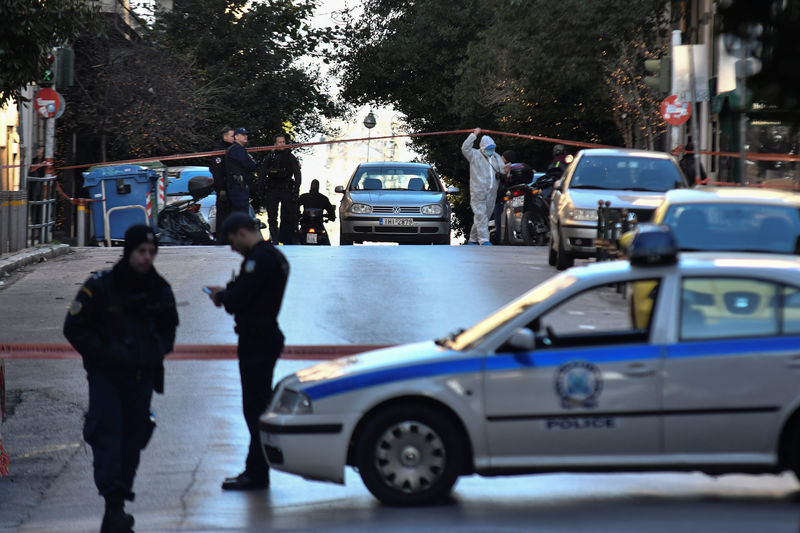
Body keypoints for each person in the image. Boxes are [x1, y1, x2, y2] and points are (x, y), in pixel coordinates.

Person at [63, 225, 178, 533]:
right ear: (129, 251)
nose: (146, 258)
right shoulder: (101, 287)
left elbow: (169, 330)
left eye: (152, 252)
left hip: (142, 378)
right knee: (108, 437)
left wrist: (153, 352)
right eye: (141, 251)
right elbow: (74, 327)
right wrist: (105, 353)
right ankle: (113, 504)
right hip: (108, 378)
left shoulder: (159, 289)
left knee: (134, 439)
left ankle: (119, 500)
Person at [205, 212, 290, 491]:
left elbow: (239, 299)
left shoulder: (258, 260)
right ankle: (257, 469)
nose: (231, 248)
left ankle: (257, 472)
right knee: (257, 407)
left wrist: (222, 296)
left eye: (231, 241)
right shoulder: (273, 257)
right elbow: (251, 292)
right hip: (264, 337)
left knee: (255, 410)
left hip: (257, 340)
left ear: (241, 233)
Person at [461, 127, 505, 245]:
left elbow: (503, 171)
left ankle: (473, 239)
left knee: (484, 216)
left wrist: (506, 170)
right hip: (478, 191)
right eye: (489, 148)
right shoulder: (474, 155)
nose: (491, 150)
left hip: (492, 192)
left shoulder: (496, 157)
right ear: (483, 148)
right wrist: (473, 135)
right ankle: (484, 240)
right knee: (481, 215)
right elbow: (465, 148)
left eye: (493, 148)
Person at [259, 134, 301, 244]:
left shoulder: (290, 157)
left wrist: (296, 190)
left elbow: (297, 174)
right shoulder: (270, 157)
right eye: (279, 142)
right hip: (272, 189)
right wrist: (261, 190)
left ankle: (290, 239)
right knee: (272, 217)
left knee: (289, 215)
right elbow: (262, 174)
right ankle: (274, 239)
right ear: (275, 144)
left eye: (283, 142)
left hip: (286, 189)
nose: (282, 144)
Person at [224, 127, 258, 215]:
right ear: (236, 137)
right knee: (241, 214)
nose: (245, 136)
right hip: (239, 187)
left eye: (246, 135)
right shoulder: (237, 149)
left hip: (238, 186)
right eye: (243, 135)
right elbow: (249, 165)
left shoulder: (235, 149)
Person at [210, 126, 235, 243]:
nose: (234, 138)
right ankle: (222, 239)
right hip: (224, 188)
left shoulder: (232, 149)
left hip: (232, 187)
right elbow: (217, 171)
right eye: (232, 136)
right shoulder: (219, 150)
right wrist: (221, 188)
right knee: (223, 215)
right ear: (225, 137)